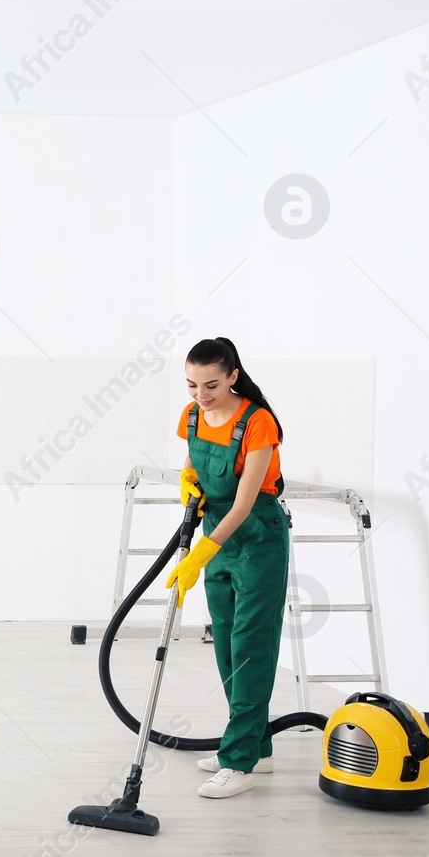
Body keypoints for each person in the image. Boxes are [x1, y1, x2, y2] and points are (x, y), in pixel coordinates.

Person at [165, 338, 288, 799]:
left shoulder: (258, 422)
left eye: (211, 384)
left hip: (256, 537)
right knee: (227, 646)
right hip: (215, 532)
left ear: (233, 375)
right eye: (192, 384)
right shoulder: (193, 415)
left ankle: (239, 763)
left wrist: (201, 553)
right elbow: (194, 465)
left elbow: (244, 502)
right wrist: (188, 482)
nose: (201, 394)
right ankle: (257, 746)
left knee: (251, 646)